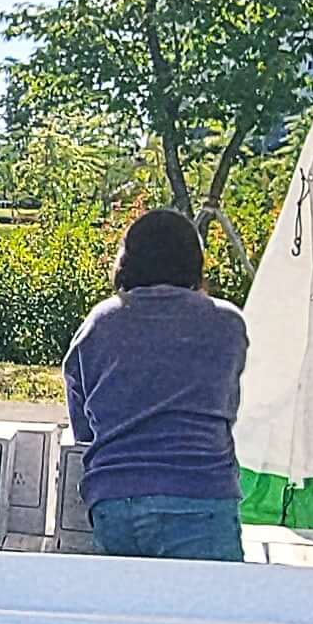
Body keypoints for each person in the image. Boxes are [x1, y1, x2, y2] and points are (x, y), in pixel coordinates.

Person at [63, 208, 251, 562]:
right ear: (194, 262)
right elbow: (225, 403)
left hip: (114, 500)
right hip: (201, 495)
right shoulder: (227, 323)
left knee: (126, 599)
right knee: (209, 599)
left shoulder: (102, 321)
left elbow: (80, 409)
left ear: (126, 262)